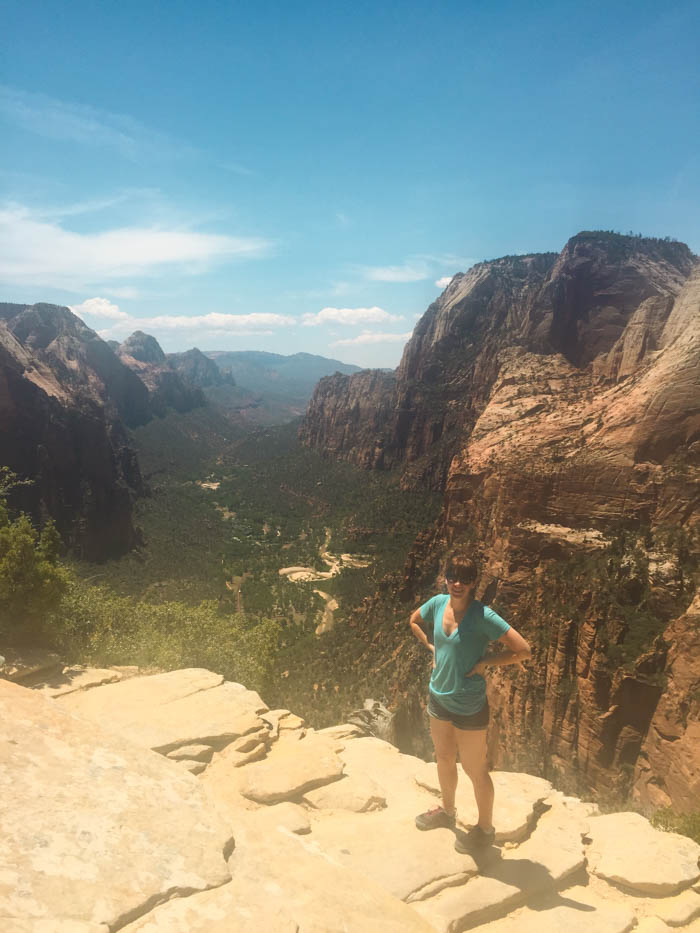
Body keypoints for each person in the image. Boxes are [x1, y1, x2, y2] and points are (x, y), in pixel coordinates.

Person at [408, 551, 531, 852]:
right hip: (439, 697)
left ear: (474, 583)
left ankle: (485, 830)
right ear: (445, 578)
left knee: (475, 770)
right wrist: (432, 647)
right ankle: (447, 812)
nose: (457, 583)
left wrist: (486, 661)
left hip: (469, 706)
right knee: (443, 758)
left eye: (465, 579)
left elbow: (523, 650)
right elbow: (413, 620)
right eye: (452, 577)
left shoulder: (482, 616)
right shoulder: (437, 603)